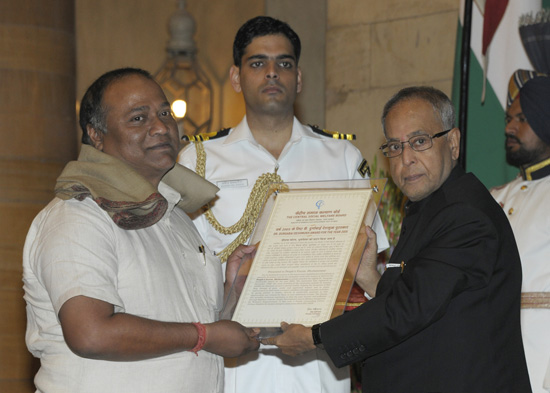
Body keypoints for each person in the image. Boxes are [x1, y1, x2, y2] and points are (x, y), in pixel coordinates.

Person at [261, 86, 532, 393]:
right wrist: (369, 278)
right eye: (394, 147)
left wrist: (315, 337)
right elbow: (427, 299)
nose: (406, 159)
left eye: (419, 142)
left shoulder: (465, 215)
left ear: (453, 143)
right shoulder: (433, 207)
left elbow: (407, 308)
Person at [179, 15, 388, 393]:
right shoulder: (198, 160)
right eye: (257, 63)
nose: (272, 72)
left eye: (284, 63)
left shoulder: (340, 155)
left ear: (300, 78)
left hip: (317, 365)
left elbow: (370, 264)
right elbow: (181, 268)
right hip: (232, 366)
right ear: (236, 77)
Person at [22, 67, 259, 393]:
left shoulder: (174, 215)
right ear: (96, 135)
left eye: (164, 113)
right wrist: (204, 335)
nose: (161, 127)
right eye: (138, 118)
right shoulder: (78, 215)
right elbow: (91, 333)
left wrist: (232, 289)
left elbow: (188, 321)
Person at [491, 69, 550, 393]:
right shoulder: (492, 198)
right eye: (510, 118)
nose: (509, 127)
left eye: (523, 118)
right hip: (491, 363)